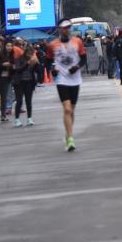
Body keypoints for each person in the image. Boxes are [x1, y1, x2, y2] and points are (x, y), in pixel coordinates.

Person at [49, 20, 87, 151]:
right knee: (67, 109)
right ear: (59, 29)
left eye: (68, 28)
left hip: (75, 79)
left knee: (72, 109)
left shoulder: (77, 42)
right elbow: (48, 61)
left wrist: (76, 67)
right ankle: (70, 139)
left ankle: (68, 133)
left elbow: (84, 58)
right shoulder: (53, 44)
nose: (66, 30)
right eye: (64, 28)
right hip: (61, 79)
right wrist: (52, 70)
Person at [12, 43, 38, 126]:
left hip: (29, 81)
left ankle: (29, 118)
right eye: (29, 54)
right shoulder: (19, 59)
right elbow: (18, 69)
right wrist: (27, 64)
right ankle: (17, 119)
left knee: (28, 101)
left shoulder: (33, 59)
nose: (30, 55)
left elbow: (37, 71)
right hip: (19, 82)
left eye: (31, 54)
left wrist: (36, 64)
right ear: (25, 53)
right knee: (19, 101)